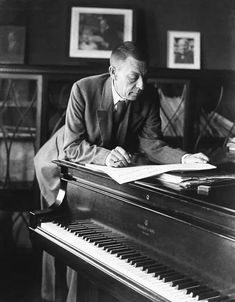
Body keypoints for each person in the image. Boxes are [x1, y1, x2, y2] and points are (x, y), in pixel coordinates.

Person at [34, 41, 209, 302]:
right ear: (113, 72)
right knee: (66, 232)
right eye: (134, 77)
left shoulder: (148, 95)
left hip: (102, 168)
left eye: (144, 77)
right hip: (58, 163)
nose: (141, 86)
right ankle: (55, 296)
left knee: (92, 238)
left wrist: (185, 159)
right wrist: (107, 156)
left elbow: (152, 144)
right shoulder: (83, 89)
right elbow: (71, 146)